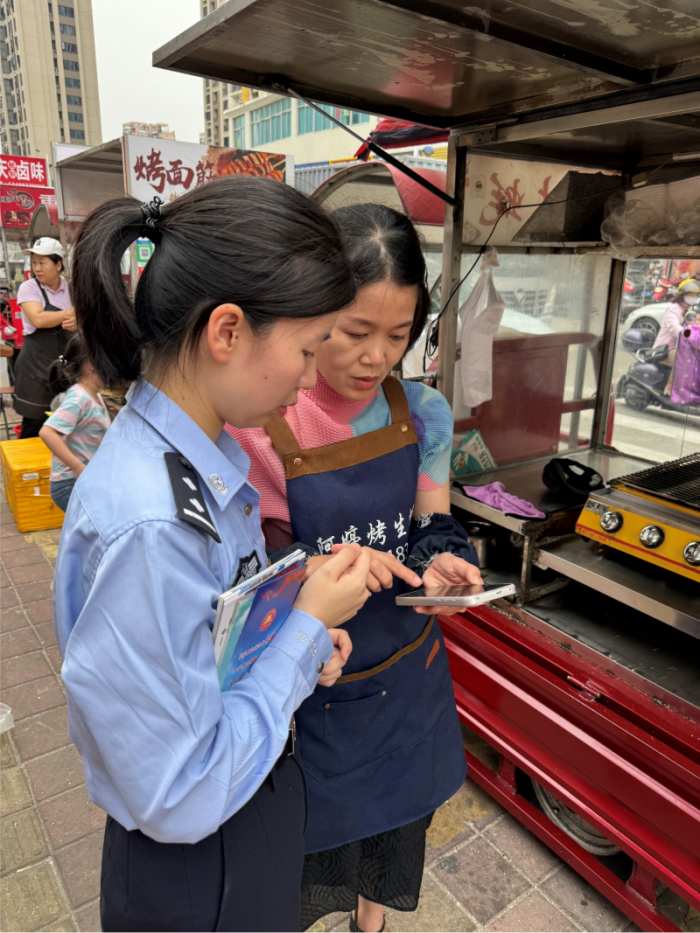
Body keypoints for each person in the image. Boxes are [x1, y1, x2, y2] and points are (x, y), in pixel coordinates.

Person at [53, 177, 374, 933]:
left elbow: (211, 641)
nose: (307, 381)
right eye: (307, 349)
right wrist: (302, 633)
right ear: (227, 331)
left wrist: (292, 629)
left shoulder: (201, 459)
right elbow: (183, 792)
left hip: (242, 817)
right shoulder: (153, 523)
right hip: (198, 864)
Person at [231, 203, 482, 933]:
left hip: (407, 678)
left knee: (395, 836)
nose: (376, 358)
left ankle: (371, 925)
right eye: (354, 332)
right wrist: (314, 572)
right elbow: (252, 572)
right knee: (308, 857)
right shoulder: (265, 423)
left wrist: (444, 566)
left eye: (398, 336)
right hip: (317, 687)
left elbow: (430, 524)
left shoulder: (423, 410)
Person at [14, 237, 77, 437]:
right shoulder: (29, 287)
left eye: (42, 262)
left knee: (65, 425)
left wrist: (78, 322)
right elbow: (38, 319)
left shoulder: (72, 290)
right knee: (34, 425)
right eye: (34, 263)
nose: (37, 268)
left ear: (58, 264)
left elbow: (86, 320)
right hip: (35, 369)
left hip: (65, 369)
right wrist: (70, 314)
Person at [39, 335, 110, 511]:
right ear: (91, 365)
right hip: (70, 484)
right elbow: (47, 432)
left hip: (84, 479)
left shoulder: (95, 396)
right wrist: (78, 467)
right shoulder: (79, 398)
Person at [653, 278, 700, 392]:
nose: (694, 297)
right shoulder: (673, 310)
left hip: (679, 347)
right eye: (691, 295)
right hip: (665, 349)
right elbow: (676, 330)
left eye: (696, 295)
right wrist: (692, 336)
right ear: (683, 295)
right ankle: (670, 389)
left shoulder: (687, 310)